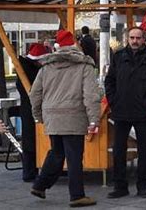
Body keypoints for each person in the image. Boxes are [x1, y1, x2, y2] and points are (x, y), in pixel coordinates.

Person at [29, 30, 100, 207]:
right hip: (74, 116)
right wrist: (94, 120)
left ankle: (40, 185)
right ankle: (77, 196)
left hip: (52, 116)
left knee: (57, 152)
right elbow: (91, 96)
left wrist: (38, 115)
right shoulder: (84, 65)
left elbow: (35, 94)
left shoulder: (46, 67)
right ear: (75, 44)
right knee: (74, 157)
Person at [105, 26, 146, 198]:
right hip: (121, 111)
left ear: (144, 39)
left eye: (138, 38)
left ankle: (143, 186)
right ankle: (120, 186)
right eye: (131, 37)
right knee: (119, 150)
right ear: (127, 39)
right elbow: (110, 81)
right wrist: (113, 101)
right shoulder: (118, 56)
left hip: (143, 112)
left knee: (144, 151)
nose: (134, 41)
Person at [16, 43, 49, 182]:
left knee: (30, 139)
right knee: (30, 140)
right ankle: (29, 171)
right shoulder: (30, 71)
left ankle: (31, 170)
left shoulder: (25, 68)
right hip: (30, 108)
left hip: (29, 107)